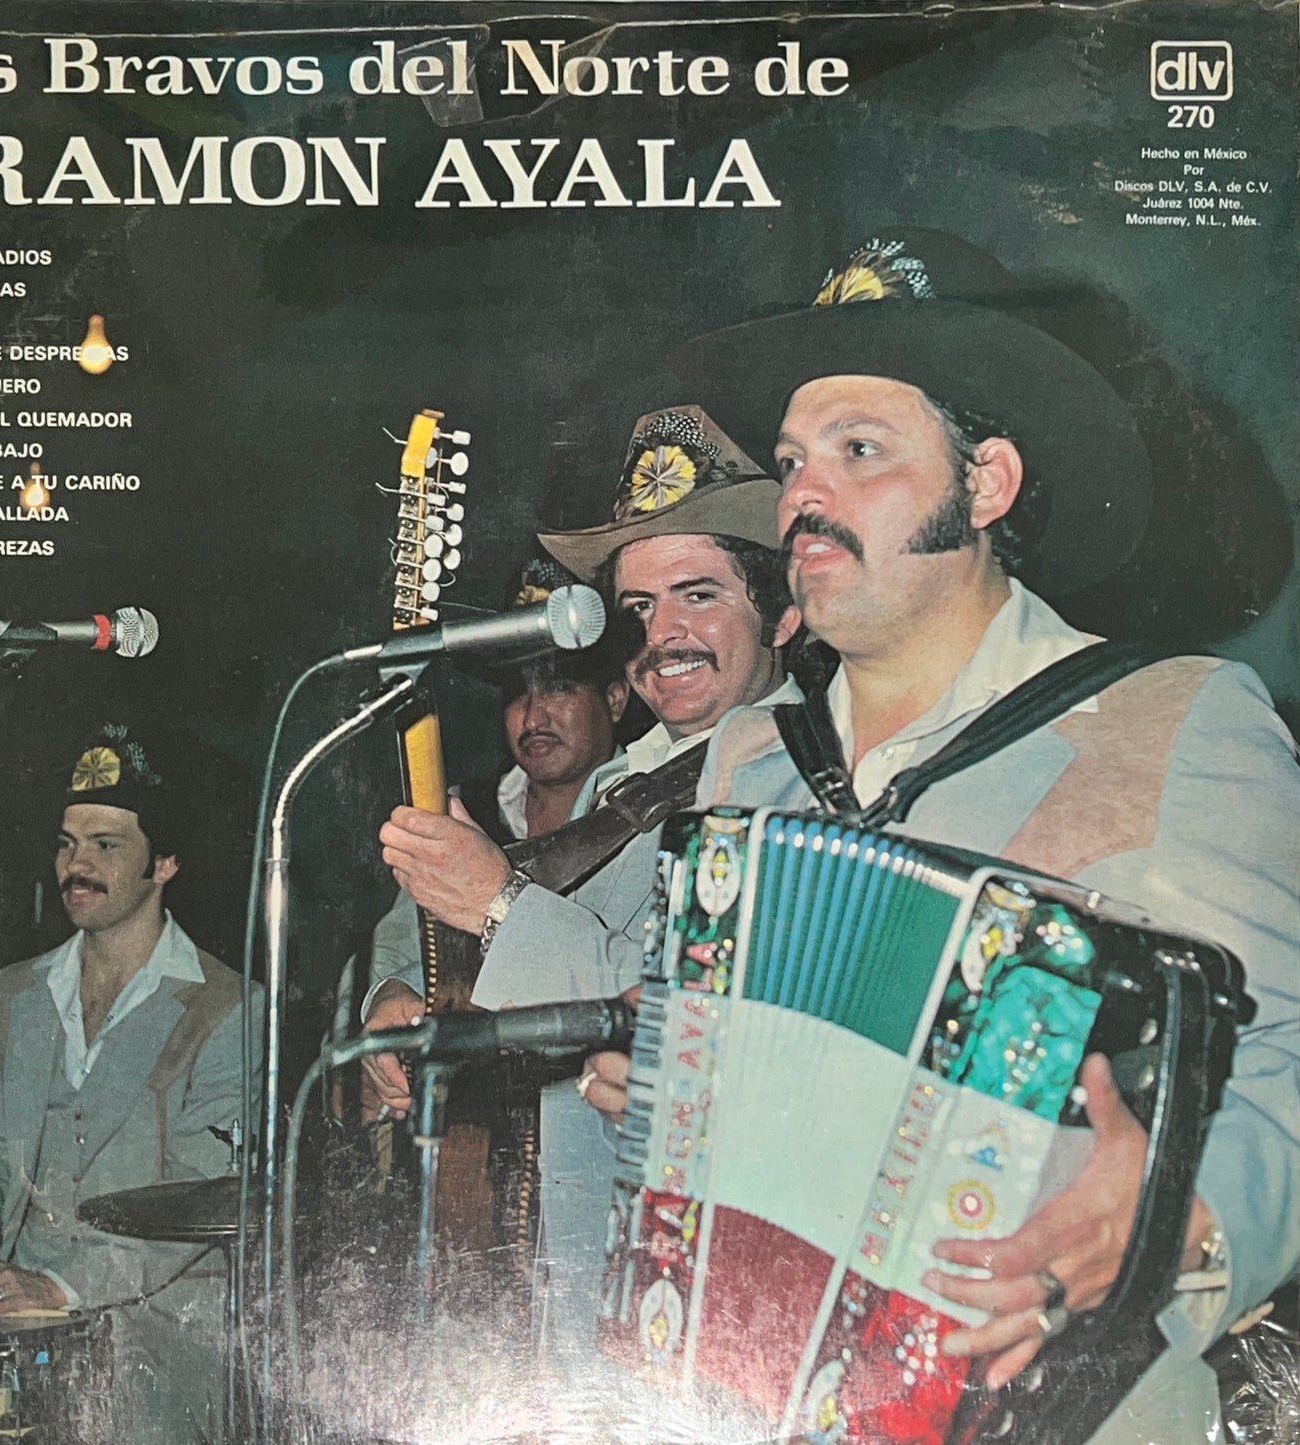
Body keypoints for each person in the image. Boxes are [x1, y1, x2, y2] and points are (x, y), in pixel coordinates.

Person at [582, 233, 1299, 1443]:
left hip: (1055, 1401)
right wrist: (663, 1078)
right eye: (792, 461)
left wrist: (1178, 1209)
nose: (800, 496)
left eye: (857, 450)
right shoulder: (755, 757)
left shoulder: (1172, 717)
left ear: (986, 485)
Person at [370, 404, 803, 1375]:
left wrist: (495, 904)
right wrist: (403, 997)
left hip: (683, 1296)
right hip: (554, 1253)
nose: (662, 634)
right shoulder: (627, 778)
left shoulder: (795, 777)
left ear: (781, 613)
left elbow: (682, 1017)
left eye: (698, 594)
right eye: (638, 607)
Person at [0, 723, 254, 1444]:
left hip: (160, 1346)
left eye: (106, 845)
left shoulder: (228, 1007)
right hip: (23, 1334)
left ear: (166, 862)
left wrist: (60, 1285)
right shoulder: (16, 993)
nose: (77, 865)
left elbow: (205, 1201)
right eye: (67, 843)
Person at [352, 554, 629, 1118]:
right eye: (516, 694)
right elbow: (399, 946)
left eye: (559, 688)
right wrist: (388, 995)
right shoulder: (468, 810)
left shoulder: (647, 811)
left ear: (616, 699)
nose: (533, 716)